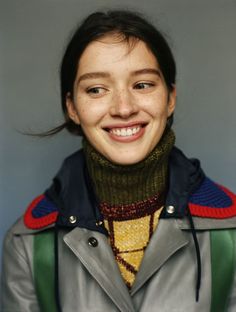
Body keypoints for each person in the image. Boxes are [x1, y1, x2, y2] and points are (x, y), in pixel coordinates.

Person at [1, 10, 236, 312]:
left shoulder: (229, 232)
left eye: (142, 85)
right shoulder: (29, 244)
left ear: (170, 98)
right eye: (96, 89)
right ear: (72, 107)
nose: (123, 108)